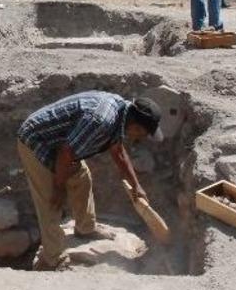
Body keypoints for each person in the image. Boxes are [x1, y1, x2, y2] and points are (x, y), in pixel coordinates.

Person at [16, 91, 164, 271]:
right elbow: (66, 153)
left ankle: (86, 228)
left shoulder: (122, 113)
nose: (140, 139)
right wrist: (59, 187)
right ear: (137, 127)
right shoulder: (100, 121)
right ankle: (53, 259)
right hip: (37, 140)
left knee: (82, 177)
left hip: (60, 142)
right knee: (50, 202)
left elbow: (118, 151)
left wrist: (136, 185)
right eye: (143, 134)